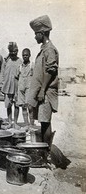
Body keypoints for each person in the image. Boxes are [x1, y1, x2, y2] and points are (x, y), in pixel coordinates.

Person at [28, 15, 59, 148]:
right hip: (43, 92)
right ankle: (44, 152)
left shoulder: (50, 49)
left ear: (42, 33)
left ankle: (47, 154)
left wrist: (42, 90)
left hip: (46, 93)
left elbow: (50, 71)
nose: (35, 37)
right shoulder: (45, 49)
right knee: (43, 122)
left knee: (45, 123)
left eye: (36, 34)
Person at [0, 42, 22, 128]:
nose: (13, 53)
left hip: (17, 87)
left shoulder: (20, 61)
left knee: (16, 105)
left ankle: (15, 122)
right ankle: (9, 122)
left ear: (17, 51)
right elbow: (2, 73)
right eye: (11, 51)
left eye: (15, 51)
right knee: (8, 105)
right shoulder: (6, 61)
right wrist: (2, 85)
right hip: (7, 86)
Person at [17, 48, 35, 126]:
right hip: (21, 88)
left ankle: (31, 124)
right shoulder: (20, 66)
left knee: (30, 107)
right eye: (23, 55)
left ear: (29, 55)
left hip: (29, 88)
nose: (25, 57)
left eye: (26, 55)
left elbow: (35, 77)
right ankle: (26, 124)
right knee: (23, 107)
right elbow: (17, 77)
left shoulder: (32, 65)